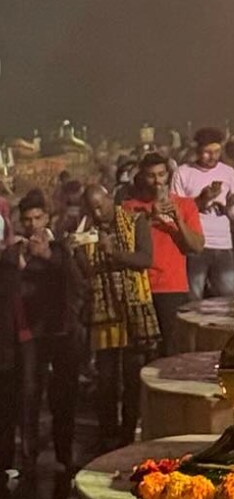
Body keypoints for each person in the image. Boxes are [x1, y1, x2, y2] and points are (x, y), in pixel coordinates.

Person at [1, 190, 84, 476]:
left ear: (46, 218)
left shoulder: (60, 249)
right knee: (29, 399)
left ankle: (64, 456)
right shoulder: (13, 254)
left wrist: (47, 255)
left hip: (61, 334)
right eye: (27, 219)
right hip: (29, 339)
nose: (33, 224)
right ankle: (27, 460)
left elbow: (75, 282)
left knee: (63, 399)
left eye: (38, 218)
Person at [77, 183, 158, 450]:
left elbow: (145, 259)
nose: (97, 212)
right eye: (91, 208)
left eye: (99, 205)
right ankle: (107, 431)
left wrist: (113, 253)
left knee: (133, 375)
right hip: (104, 313)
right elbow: (84, 273)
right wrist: (76, 251)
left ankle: (128, 430)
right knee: (107, 377)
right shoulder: (86, 232)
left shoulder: (136, 221)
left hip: (133, 309)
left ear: (110, 199)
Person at [123, 153, 205, 352]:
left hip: (172, 288)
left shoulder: (185, 205)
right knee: (141, 352)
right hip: (140, 288)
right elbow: (126, 244)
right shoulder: (129, 207)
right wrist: (151, 217)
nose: (157, 181)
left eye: (161, 175)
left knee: (172, 349)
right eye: (151, 176)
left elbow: (196, 246)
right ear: (142, 177)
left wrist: (177, 220)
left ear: (168, 175)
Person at [174, 127, 234, 298]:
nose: (212, 156)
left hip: (223, 244)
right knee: (193, 297)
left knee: (226, 297)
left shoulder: (227, 173)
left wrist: (231, 206)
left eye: (216, 151)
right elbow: (176, 210)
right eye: (207, 152)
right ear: (197, 150)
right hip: (195, 245)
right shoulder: (183, 173)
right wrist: (201, 201)